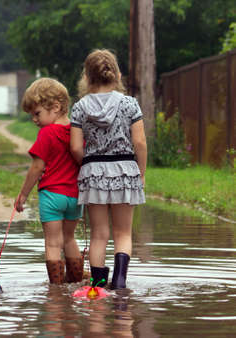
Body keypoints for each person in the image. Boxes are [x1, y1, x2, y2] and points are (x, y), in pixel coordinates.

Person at [70, 49, 147, 290]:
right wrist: (141, 173)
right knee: (123, 233)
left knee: (99, 235)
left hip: (94, 172)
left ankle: (98, 286)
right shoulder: (129, 104)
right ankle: (121, 283)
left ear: (87, 76)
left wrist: (91, 165)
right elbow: (140, 143)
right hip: (125, 170)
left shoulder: (80, 107)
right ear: (116, 74)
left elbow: (74, 147)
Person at [15, 78, 84, 285]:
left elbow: (37, 166)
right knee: (70, 239)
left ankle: (56, 290)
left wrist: (24, 194)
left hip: (52, 196)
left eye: (37, 114)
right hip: (75, 196)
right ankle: (75, 283)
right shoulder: (77, 131)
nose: (34, 120)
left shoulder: (47, 133)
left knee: (53, 243)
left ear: (55, 107)